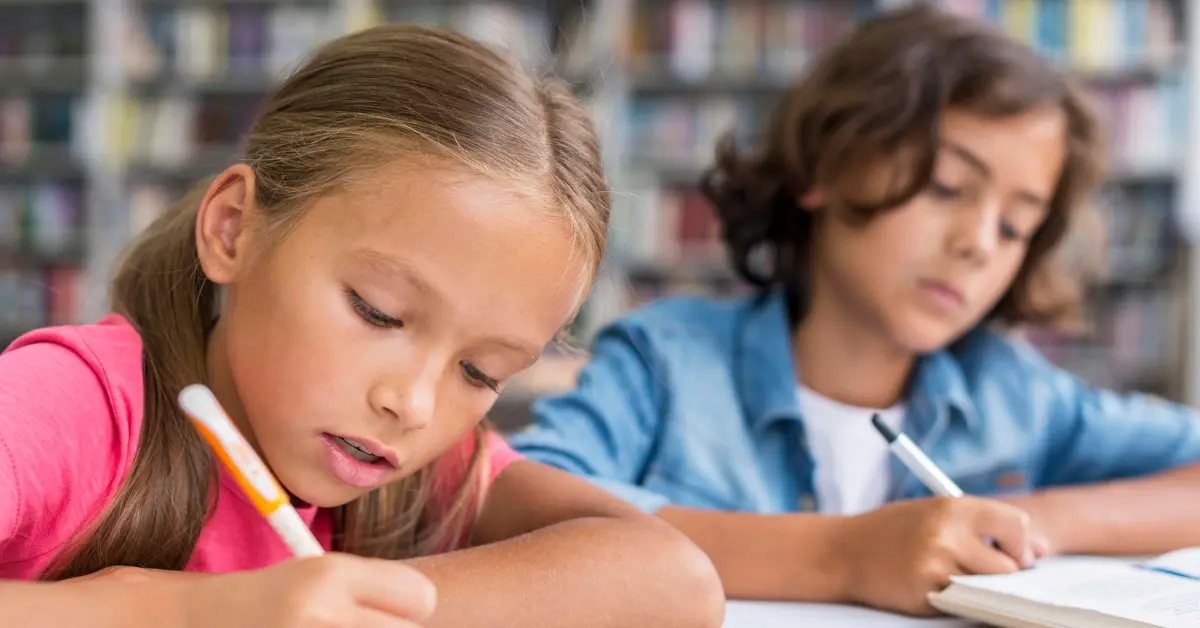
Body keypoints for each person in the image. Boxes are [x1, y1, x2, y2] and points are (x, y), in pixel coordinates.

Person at [0, 24, 724, 628]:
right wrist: (191, 612)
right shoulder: (76, 405)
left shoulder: (410, 473)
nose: (411, 403)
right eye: (377, 312)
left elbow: (675, 580)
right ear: (232, 229)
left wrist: (352, 611)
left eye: (480, 373)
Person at [508, 5, 1200, 617]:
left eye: (1016, 227)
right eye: (946, 185)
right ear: (827, 169)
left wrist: (1036, 517)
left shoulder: (1014, 394)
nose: (978, 244)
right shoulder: (668, 360)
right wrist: (843, 555)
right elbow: (514, 500)